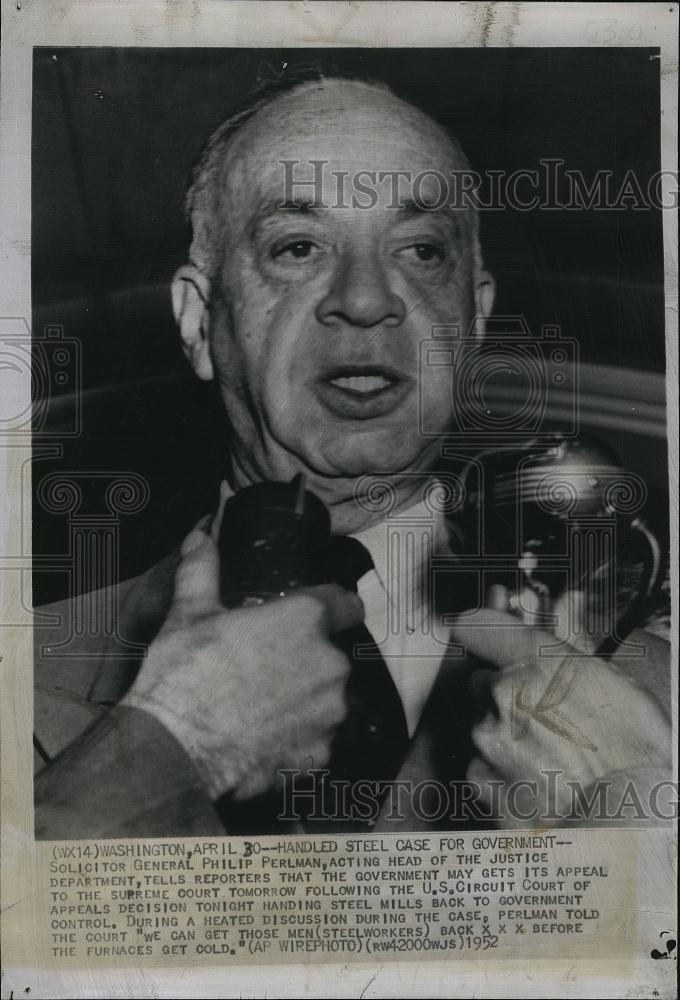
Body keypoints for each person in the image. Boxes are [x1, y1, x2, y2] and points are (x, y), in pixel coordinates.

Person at [33, 71, 671, 839]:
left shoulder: (656, 689)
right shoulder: (23, 677)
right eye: (297, 247)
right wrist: (168, 744)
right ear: (200, 323)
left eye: (422, 250)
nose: (366, 298)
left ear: (474, 321)